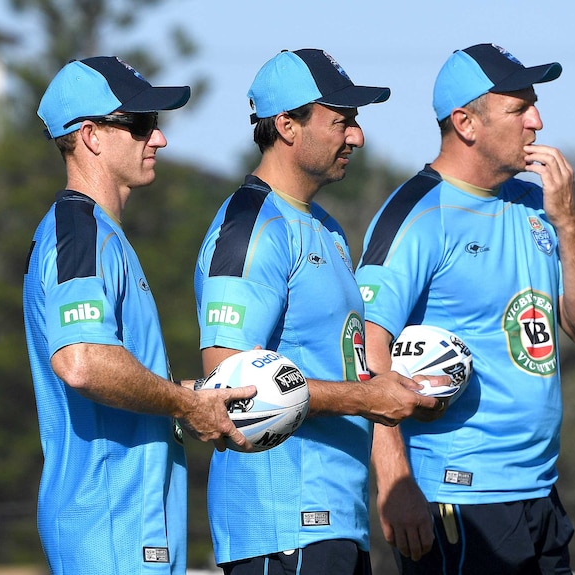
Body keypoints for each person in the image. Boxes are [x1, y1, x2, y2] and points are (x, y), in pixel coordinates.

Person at [355, 44, 575, 574]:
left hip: (540, 490)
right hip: (458, 495)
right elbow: (365, 349)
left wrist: (567, 221)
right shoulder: (417, 215)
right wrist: (395, 481)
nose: (537, 121)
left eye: (535, 105)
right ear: (465, 123)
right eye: (519, 109)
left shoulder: (537, 204)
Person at [194, 48, 446, 575]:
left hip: (334, 520)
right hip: (282, 525)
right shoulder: (250, 226)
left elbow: (344, 367)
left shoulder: (325, 226)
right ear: (286, 126)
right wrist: (369, 398)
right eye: (342, 121)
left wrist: (400, 391)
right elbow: (227, 384)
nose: (356, 136)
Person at [24, 56, 256, 575]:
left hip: (129, 529)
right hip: (110, 529)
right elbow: (82, 362)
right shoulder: (78, 232)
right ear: (91, 136)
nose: (160, 139)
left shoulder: (99, 234)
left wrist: (195, 397)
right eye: (141, 124)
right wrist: (184, 404)